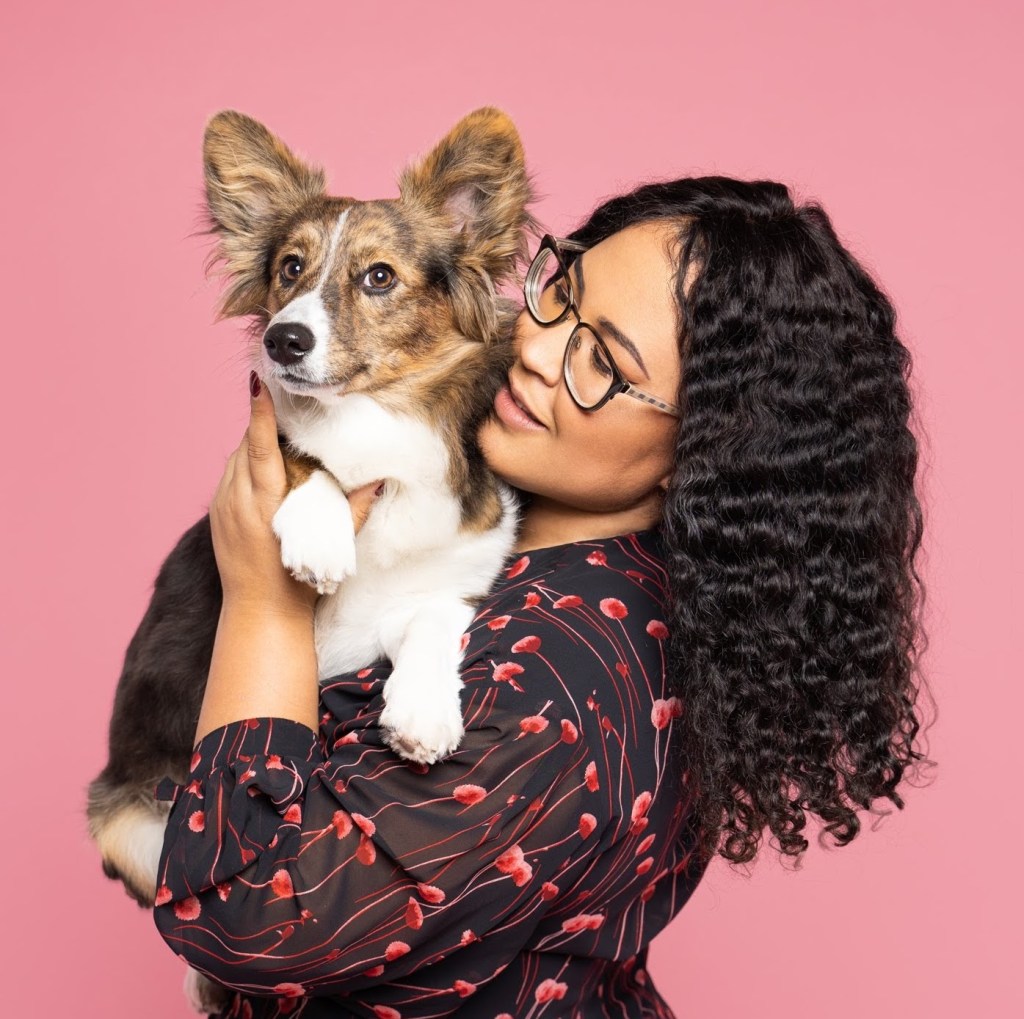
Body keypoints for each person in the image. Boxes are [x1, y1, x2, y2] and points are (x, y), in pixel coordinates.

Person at [152, 177, 930, 1018]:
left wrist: (262, 606)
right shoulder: (536, 558)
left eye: (603, 363)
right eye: (562, 292)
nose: (537, 348)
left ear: (700, 452)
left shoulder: (552, 677)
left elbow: (248, 922)